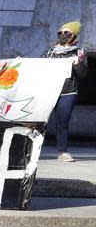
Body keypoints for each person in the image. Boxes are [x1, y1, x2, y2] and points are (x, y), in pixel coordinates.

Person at [42, 21, 88, 162]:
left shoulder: (79, 52)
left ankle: (62, 152)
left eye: (67, 32)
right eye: (61, 32)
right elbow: (38, 68)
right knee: (38, 121)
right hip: (48, 91)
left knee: (62, 122)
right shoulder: (50, 52)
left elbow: (82, 75)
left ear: (74, 35)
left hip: (68, 92)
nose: (63, 35)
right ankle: (30, 150)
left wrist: (77, 64)